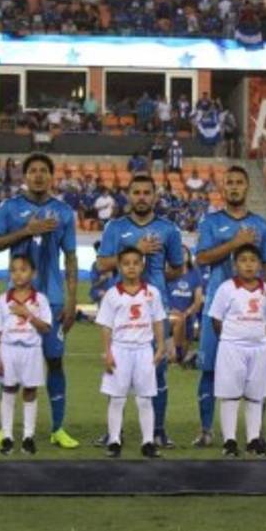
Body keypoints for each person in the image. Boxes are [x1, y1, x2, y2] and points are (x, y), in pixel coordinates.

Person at [0, 153, 80, 450]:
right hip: (16, 299)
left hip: (51, 300)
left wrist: (71, 300)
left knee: (55, 361)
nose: (38, 176)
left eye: (43, 171)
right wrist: (27, 231)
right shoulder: (10, 208)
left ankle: (57, 428)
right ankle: (6, 431)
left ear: (52, 176)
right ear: (24, 176)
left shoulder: (63, 212)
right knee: (10, 363)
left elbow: (72, 257)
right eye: (33, 171)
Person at [95, 175, 184, 447]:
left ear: (155, 196)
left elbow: (177, 267)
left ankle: (158, 431)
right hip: (122, 308)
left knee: (158, 371)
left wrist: (156, 286)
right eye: (137, 192)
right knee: (116, 371)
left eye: (147, 192)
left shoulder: (169, 230)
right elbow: (102, 265)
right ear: (129, 195)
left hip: (155, 309)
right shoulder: (115, 227)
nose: (142, 197)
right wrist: (136, 250)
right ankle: (115, 433)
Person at [193, 166, 266, 446]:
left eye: (239, 182)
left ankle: (257, 432)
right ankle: (206, 430)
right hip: (216, 309)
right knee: (208, 370)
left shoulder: (261, 225)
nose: (234, 187)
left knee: (257, 374)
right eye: (229, 182)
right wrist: (235, 243)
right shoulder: (211, 222)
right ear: (222, 188)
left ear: (247, 187)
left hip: (252, 312)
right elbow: (202, 258)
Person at [95, 246, 166, 459]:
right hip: (120, 349)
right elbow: (106, 326)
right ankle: (114, 440)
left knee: (145, 399)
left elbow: (158, 320)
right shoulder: (112, 294)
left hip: (144, 350)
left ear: (142, 265)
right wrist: (107, 352)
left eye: (136, 263)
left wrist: (160, 346)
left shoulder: (152, 293)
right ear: (119, 267)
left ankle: (148, 442)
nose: (131, 267)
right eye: (126, 264)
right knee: (117, 399)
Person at [208, 244, 266, 457]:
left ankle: (253, 439)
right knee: (230, 395)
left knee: (256, 395)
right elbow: (216, 319)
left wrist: (254, 336)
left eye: (253, 260)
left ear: (259, 265)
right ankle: (229, 440)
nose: (248, 264)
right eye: (243, 260)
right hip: (231, 347)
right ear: (235, 264)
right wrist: (232, 338)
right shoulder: (226, 288)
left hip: (258, 348)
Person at [0, 255, 52, 456]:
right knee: (8, 389)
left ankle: (28, 437)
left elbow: (46, 328)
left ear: (33, 273)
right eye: (13, 270)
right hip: (8, 350)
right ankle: (7, 436)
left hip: (31, 351)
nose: (18, 274)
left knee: (30, 391)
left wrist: (27, 314)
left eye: (23, 269)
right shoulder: (2, 300)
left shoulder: (40, 299)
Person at [167, 247, 203, 366]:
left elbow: (197, 301)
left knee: (178, 357)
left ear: (189, 256)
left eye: (184, 252)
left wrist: (187, 313)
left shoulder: (195, 274)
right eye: (179, 252)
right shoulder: (168, 273)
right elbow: (160, 297)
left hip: (187, 319)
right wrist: (169, 310)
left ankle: (182, 354)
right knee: (174, 357)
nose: (182, 255)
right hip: (169, 317)